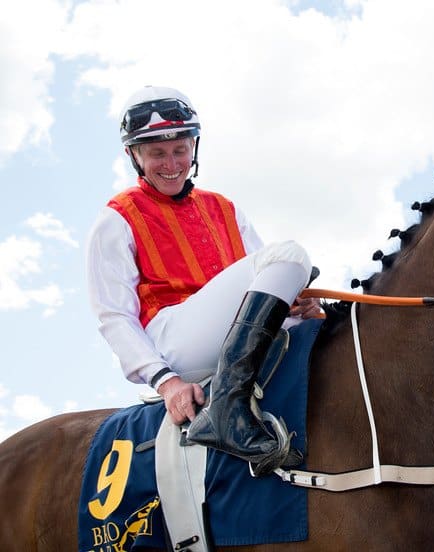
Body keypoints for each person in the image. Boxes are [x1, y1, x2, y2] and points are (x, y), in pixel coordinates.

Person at [87, 85, 320, 475]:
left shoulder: (225, 208)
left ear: (195, 147)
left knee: (317, 322)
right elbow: (114, 317)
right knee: (289, 255)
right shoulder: (117, 219)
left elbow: (264, 283)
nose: (172, 163)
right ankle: (227, 411)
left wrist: (301, 306)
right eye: (157, 154)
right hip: (174, 341)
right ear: (134, 156)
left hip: (232, 335)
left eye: (180, 150)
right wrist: (167, 383)